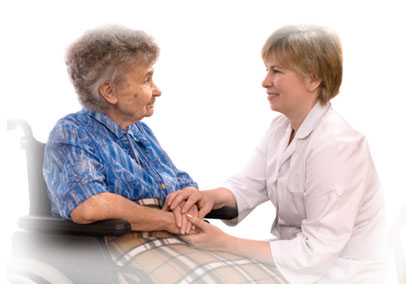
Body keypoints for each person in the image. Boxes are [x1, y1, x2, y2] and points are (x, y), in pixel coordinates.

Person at [166, 25, 385, 283]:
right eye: (267, 69)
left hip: (341, 277)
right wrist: (209, 196)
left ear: (313, 79)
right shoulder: (281, 128)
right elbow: (248, 185)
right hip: (292, 265)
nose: (265, 81)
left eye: (276, 71)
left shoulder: (338, 145)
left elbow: (316, 253)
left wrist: (225, 243)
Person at [43, 25, 199, 235]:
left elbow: (179, 181)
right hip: (119, 245)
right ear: (109, 92)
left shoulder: (140, 132)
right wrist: (168, 220)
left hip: (170, 237)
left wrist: (188, 199)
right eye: (146, 79)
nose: (157, 91)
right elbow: (90, 206)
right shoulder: (72, 132)